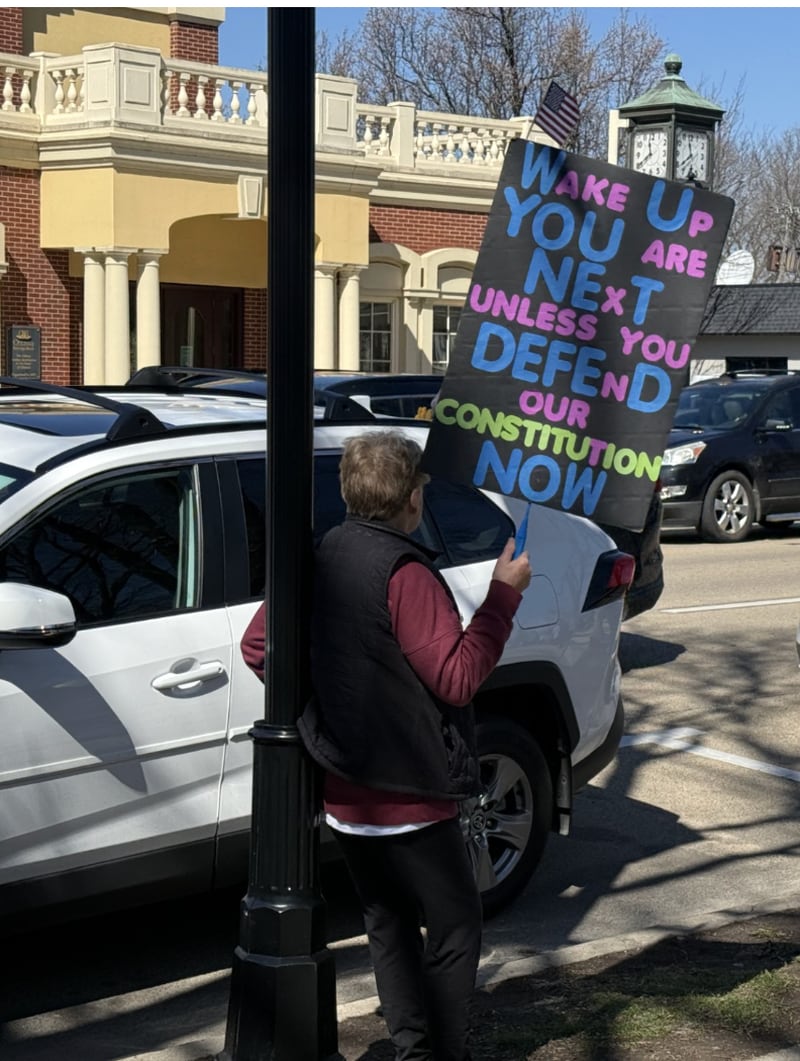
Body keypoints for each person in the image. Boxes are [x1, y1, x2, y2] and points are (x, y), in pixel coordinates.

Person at [298, 429, 531, 1061]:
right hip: (412, 794)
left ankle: (412, 1049)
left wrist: (332, 697)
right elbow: (456, 677)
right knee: (456, 925)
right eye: (423, 488)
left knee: (388, 923)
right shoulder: (406, 574)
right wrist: (503, 597)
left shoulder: (322, 556)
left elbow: (261, 646)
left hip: (347, 792)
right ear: (411, 500)